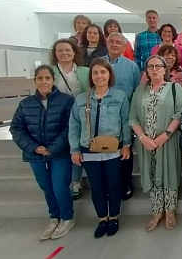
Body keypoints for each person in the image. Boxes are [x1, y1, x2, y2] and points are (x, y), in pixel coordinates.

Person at [10, 65, 76, 241]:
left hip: (60, 152)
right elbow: (16, 128)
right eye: (40, 78)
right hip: (35, 154)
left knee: (59, 186)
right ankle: (54, 217)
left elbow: (70, 127)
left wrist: (53, 147)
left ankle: (67, 218)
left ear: (53, 80)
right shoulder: (26, 104)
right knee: (46, 187)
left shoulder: (66, 101)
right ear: (35, 81)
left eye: (47, 78)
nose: (44, 82)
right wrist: (33, 147)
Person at [68, 58, 131, 238]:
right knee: (97, 186)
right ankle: (102, 218)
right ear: (91, 76)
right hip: (88, 150)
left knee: (113, 184)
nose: (99, 76)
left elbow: (126, 122)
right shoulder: (81, 99)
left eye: (103, 72)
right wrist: (74, 149)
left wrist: (126, 144)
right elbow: (74, 126)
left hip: (113, 149)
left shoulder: (119, 96)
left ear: (109, 75)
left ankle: (114, 217)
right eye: (95, 73)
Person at [129, 55, 182, 231]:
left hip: (167, 141)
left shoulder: (174, 88)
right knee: (152, 175)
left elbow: (179, 114)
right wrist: (143, 138)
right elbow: (133, 117)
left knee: (169, 174)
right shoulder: (139, 91)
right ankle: (156, 211)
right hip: (146, 143)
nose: (155, 69)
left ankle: (170, 210)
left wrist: (165, 135)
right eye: (151, 66)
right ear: (146, 70)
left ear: (165, 69)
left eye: (158, 66)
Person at [49, 39, 89, 199]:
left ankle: (76, 181)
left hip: (79, 114)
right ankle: (60, 180)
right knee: (61, 146)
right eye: (60, 50)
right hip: (56, 115)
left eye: (68, 50)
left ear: (74, 52)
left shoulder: (85, 71)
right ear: (55, 54)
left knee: (76, 145)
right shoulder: (50, 71)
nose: (64, 53)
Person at [103, 32, 141, 200]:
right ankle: (108, 183)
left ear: (125, 46)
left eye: (118, 42)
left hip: (125, 114)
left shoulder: (132, 67)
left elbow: (136, 91)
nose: (114, 44)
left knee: (125, 149)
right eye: (111, 41)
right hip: (103, 113)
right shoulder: (98, 64)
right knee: (105, 148)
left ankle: (125, 183)